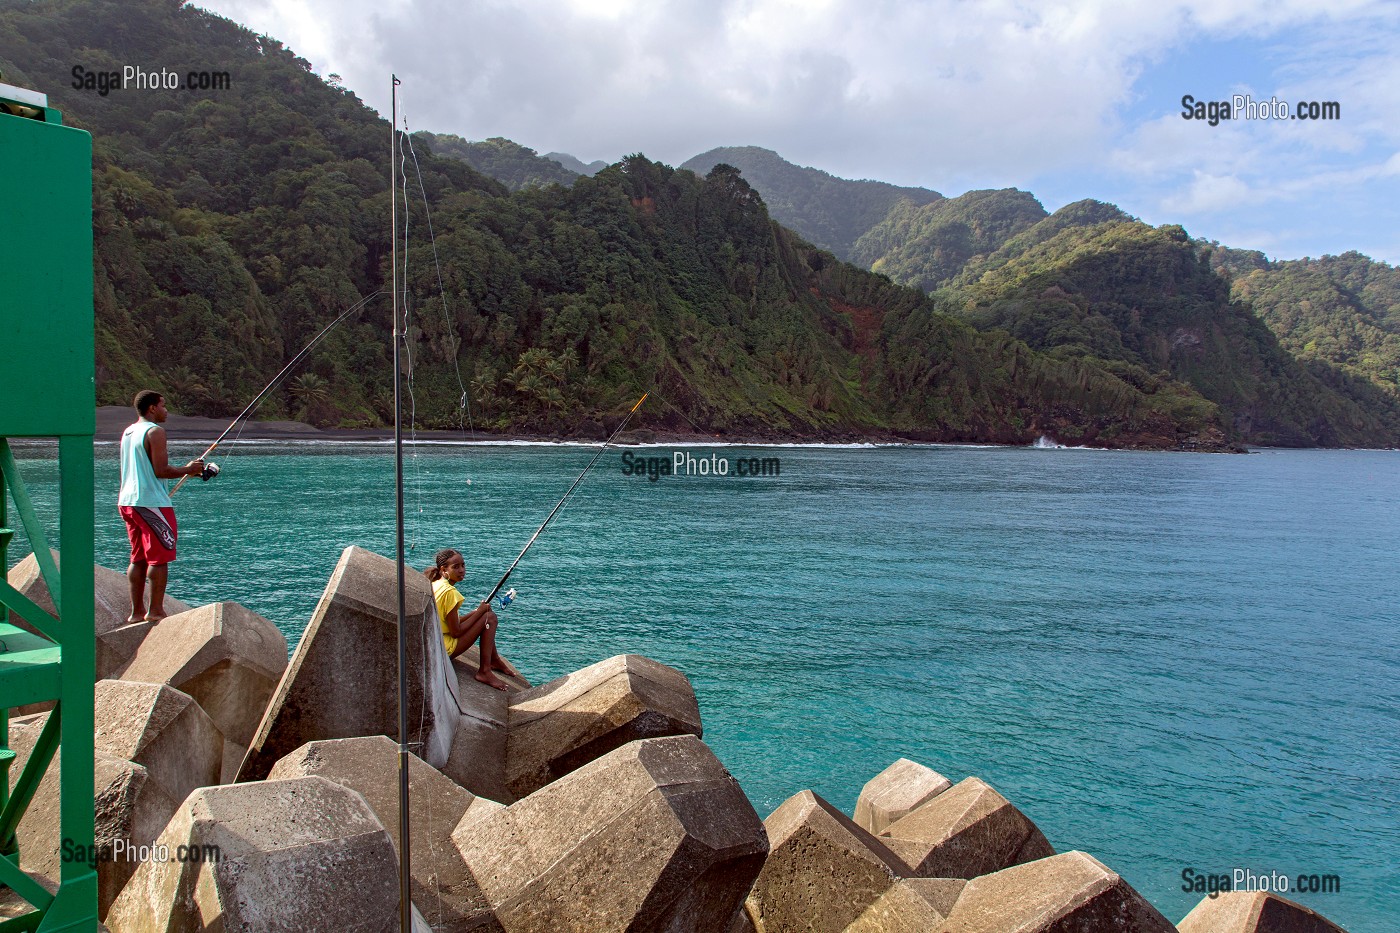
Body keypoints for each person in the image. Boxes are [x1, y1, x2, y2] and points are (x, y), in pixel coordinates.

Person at [118, 390, 203, 624]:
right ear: (152, 408)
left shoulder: (129, 432)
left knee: (138, 558)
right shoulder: (155, 432)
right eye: (163, 406)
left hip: (128, 502)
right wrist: (189, 469)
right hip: (151, 503)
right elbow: (160, 470)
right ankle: (155, 611)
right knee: (159, 558)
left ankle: (136, 613)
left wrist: (187, 471)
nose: (166, 411)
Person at [424, 548, 518, 691]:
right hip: (445, 648)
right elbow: (456, 632)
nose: (461, 570)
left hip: (437, 643)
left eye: (463, 565)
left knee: (484, 615)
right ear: (444, 570)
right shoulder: (450, 593)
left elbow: (450, 622)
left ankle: (495, 661)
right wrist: (480, 612)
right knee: (490, 618)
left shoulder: (436, 584)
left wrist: (476, 612)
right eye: (456, 567)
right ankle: (485, 671)